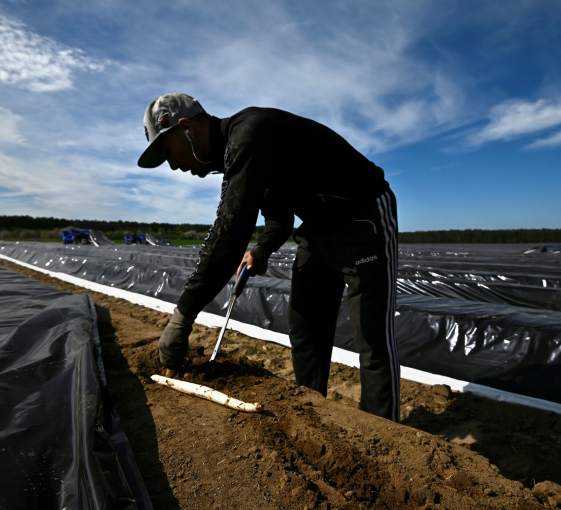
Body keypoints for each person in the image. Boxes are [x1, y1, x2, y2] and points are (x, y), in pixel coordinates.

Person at [137, 93, 400, 422]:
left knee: (372, 340)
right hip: (319, 227)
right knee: (304, 325)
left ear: (186, 128)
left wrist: (183, 316)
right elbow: (278, 219)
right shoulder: (239, 156)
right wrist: (262, 248)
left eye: (167, 151)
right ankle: (312, 412)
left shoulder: (250, 133)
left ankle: (387, 433)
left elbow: (230, 231)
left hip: (362, 218)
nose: (174, 165)